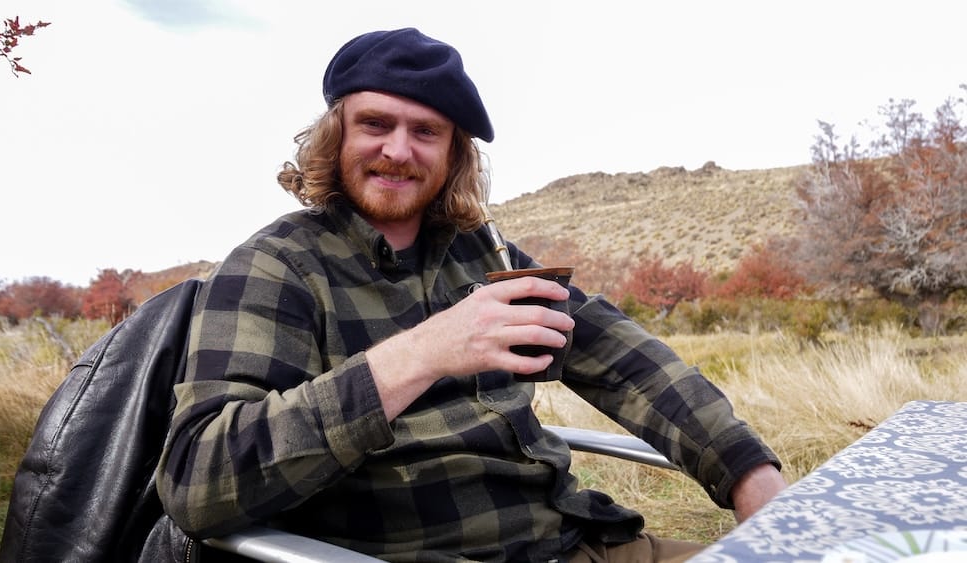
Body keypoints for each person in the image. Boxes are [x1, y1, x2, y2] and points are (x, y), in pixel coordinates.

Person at [155, 27, 787, 562]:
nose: (397, 150)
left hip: (572, 540)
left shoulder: (485, 255)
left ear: (453, 152)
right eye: (375, 123)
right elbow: (197, 479)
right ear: (336, 135)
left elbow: (624, 362)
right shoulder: (274, 269)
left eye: (425, 131)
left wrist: (747, 472)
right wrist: (422, 353)